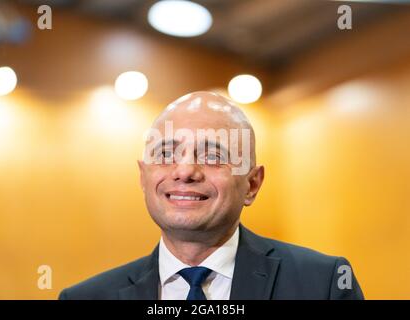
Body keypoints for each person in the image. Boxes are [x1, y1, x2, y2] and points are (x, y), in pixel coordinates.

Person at [59, 91, 364, 300]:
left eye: (212, 155)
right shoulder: (85, 297)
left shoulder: (324, 284)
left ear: (252, 184)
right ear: (143, 177)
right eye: (166, 153)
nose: (185, 171)